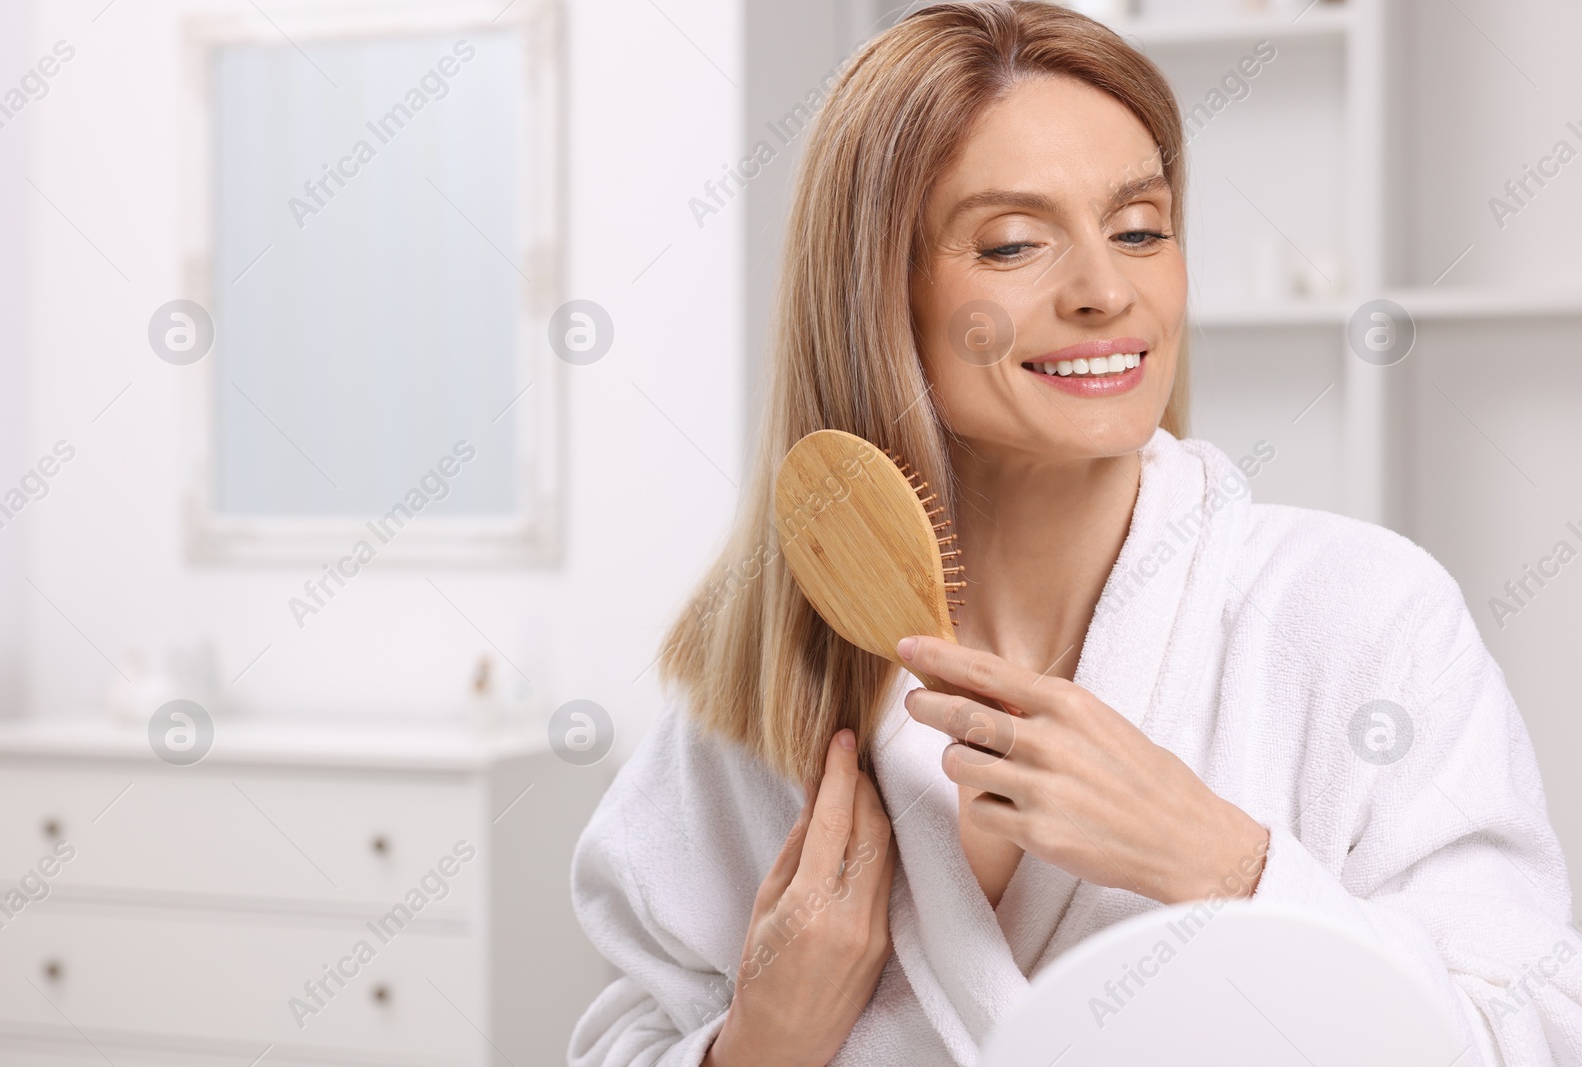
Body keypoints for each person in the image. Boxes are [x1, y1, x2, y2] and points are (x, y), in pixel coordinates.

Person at [568, 3, 1582, 1064]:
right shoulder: (766, 690)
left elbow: (1533, 1035)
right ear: (880, 293)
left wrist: (1223, 863)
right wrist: (762, 1038)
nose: (1106, 291)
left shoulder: (1362, 622)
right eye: (1012, 244)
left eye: (1140, 228)